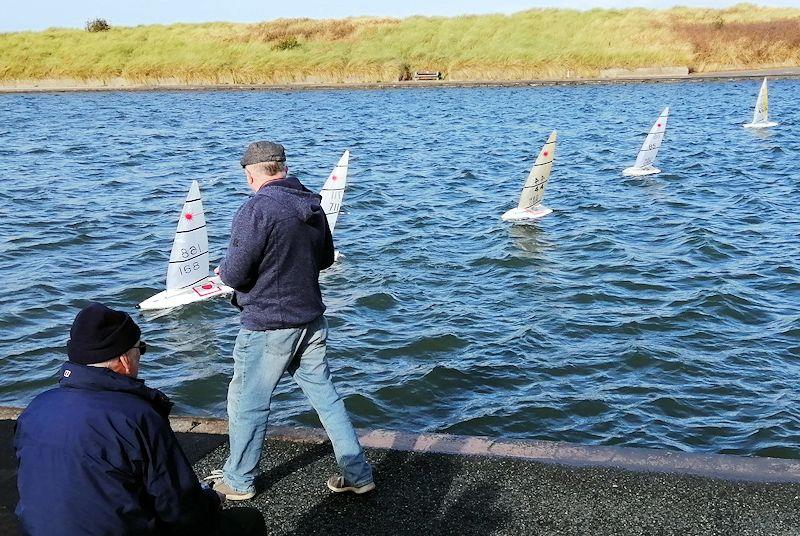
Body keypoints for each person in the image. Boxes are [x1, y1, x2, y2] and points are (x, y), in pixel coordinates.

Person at [208, 141, 374, 500]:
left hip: (268, 324)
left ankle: (238, 481)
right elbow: (327, 259)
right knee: (326, 398)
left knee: (247, 402)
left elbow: (234, 274)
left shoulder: (256, 210)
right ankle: (358, 474)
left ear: (251, 174)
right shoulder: (313, 204)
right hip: (310, 318)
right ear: (282, 168)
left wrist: (223, 269)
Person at [14, 302, 265, 535]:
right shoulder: (136, 415)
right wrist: (211, 501)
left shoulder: (36, 408)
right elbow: (178, 508)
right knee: (247, 522)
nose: (140, 357)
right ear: (124, 359)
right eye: (140, 349)